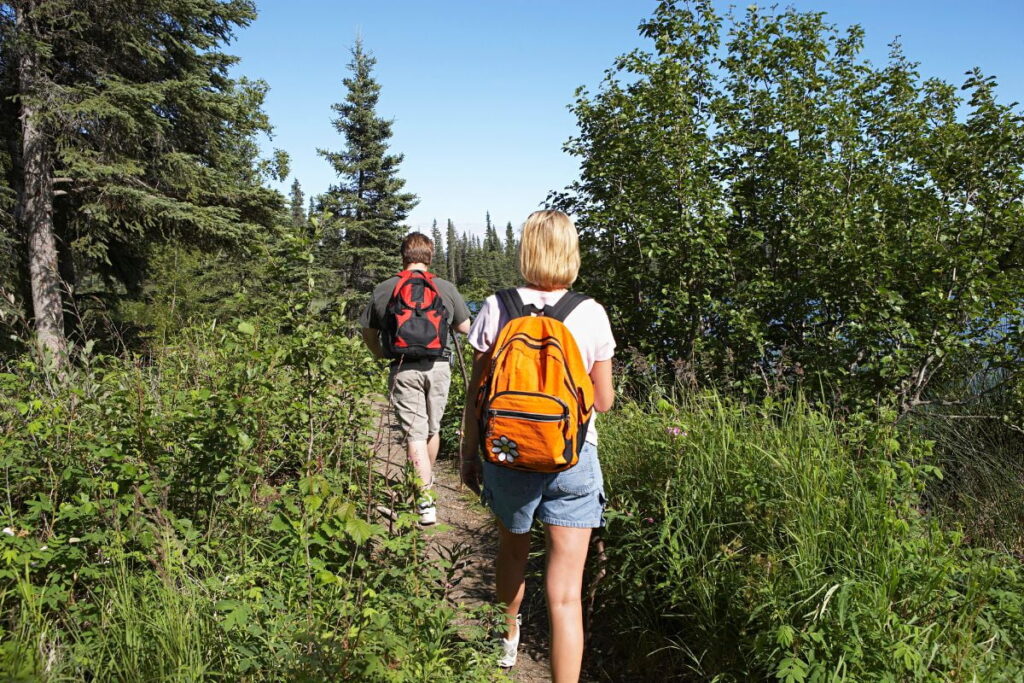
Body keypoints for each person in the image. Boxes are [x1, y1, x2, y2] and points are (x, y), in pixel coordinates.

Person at [460, 210, 616, 682]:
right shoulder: (589, 312)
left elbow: (478, 393)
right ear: (571, 253)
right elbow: (603, 402)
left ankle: (506, 645)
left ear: (526, 250)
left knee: (511, 553)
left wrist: (469, 454)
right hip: (572, 459)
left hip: (507, 454)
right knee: (566, 593)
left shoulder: (497, 305)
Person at [360, 232, 471, 525]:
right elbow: (464, 327)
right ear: (430, 256)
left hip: (402, 367)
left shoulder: (385, 288)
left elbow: (368, 332)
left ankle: (423, 499)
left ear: (403, 256)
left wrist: (380, 354)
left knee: (415, 434)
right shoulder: (444, 287)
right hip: (439, 367)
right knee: (431, 431)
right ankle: (424, 488)